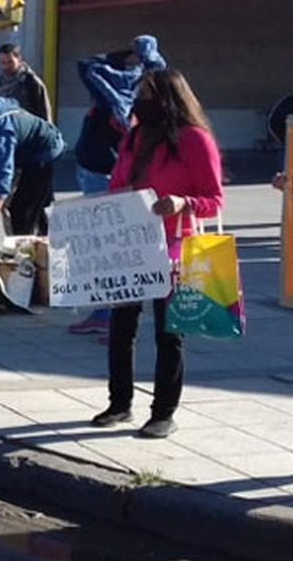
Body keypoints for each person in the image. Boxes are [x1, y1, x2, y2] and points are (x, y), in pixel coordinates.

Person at [92, 68, 223, 439]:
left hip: (174, 247)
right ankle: (119, 403)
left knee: (170, 333)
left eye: (148, 94)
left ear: (168, 98)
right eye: (139, 94)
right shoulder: (135, 137)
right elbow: (117, 183)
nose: (140, 101)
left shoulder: (194, 140)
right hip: (131, 246)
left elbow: (214, 200)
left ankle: (164, 411)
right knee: (121, 327)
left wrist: (183, 203)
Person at [69, 35, 166, 336]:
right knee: (116, 246)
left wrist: (117, 58)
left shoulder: (111, 92)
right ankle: (112, 316)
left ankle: (110, 317)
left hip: (102, 172)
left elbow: (86, 65)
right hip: (109, 171)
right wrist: (142, 57)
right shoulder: (141, 92)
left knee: (108, 248)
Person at [0, 96, 65, 236]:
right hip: (31, 149)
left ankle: (24, 250)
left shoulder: (1, 130)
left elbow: (2, 177)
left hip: (45, 151)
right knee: (42, 206)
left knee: (22, 209)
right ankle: (49, 245)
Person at [0, 43, 50, 120]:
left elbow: (44, 112)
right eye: (3, 63)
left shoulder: (31, 82)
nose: (6, 66)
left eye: (10, 62)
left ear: (19, 60)